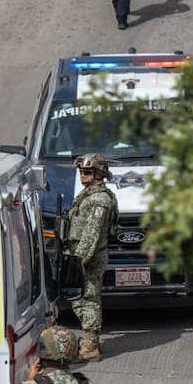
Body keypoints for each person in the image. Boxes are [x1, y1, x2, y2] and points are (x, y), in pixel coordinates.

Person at [66, 154, 118, 361]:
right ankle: (90, 339)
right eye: (81, 171)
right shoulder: (89, 194)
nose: (82, 175)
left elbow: (92, 232)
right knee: (81, 296)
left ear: (99, 174)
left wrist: (78, 260)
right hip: (81, 253)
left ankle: (90, 343)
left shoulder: (100, 200)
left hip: (90, 256)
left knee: (88, 298)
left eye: (87, 172)